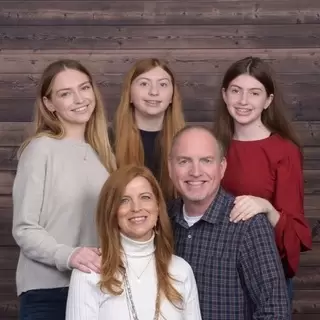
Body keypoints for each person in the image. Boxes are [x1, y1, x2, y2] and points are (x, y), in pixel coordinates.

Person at [12, 59, 116, 320]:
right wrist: (69, 255)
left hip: (95, 288)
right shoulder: (40, 149)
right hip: (47, 292)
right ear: (49, 104)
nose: (79, 99)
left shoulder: (103, 155)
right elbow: (24, 229)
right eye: (65, 94)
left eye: (84, 88)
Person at [214, 56, 312, 300]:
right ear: (225, 95)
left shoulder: (284, 151)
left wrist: (267, 208)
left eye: (254, 93)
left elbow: (297, 233)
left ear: (268, 100)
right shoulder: (210, 145)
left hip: (263, 275)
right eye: (236, 91)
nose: (243, 101)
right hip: (216, 272)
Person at [168, 125, 291, 320]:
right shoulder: (162, 220)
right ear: (170, 167)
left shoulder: (249, 225)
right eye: (184, 161)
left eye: (206, 161)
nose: (196, 172)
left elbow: (275, 311)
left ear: (222, 167)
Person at [65, 165, 202, 320]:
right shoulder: (90, 272)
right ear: (112, 211)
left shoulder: (181, 270)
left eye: (145, 197)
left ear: (157, 206)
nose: (136, 208)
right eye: (124, 200)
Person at [112, 58, 185, 201]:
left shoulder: (188, 141)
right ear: (130, 94)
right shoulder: (109, 140)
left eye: (163, 84)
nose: (154, 92)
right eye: (144, 84)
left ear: (172, 96)